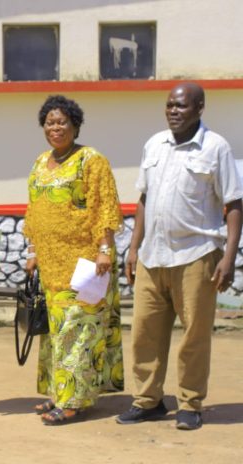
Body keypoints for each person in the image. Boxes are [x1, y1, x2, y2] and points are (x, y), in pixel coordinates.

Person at [116, 83, 243, 431]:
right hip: (152, 256)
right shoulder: (154, 144)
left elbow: (234, 203)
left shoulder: (216, 148)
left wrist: (229, 258)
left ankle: (190, 403)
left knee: (194, 336)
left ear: (199, 108)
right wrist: (133, 248)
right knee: (144, 333)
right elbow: (144, 198)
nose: (173, 111)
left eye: (182, 106)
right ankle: (147, 401)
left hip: (196, 256)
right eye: (170, 105)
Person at [23, 95, 124, 425]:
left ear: (75, 125)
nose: (55, 128)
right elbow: (34, 211)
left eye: (62, 122)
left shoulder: (91, 160)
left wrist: (104, 249)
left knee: (79, 332)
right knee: (56, 332)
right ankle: (59, 393)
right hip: (51, 265)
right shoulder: (41, 162)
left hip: (85, 263)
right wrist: (33, 253)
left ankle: (74, 401)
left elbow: (104, 206)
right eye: (49, 122)